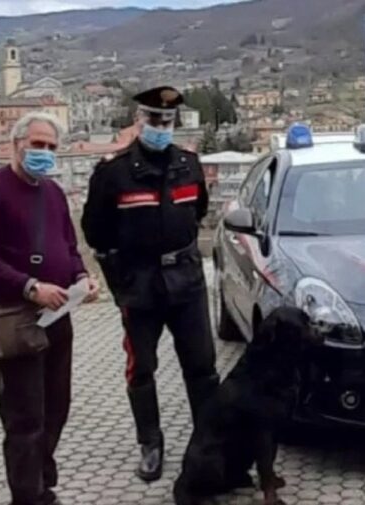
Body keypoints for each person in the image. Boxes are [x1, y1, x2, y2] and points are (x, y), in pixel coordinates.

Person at [81, 86, 219, 482]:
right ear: (139, 121)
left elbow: (198, 213)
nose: (161, 127)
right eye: (154, 120)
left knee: (203, 367)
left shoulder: (189, 165)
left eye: (167, 121)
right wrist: (120, 284)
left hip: (187, 282)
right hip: (140, 284)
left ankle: (207, 444)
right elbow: (96, 233)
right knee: (141, 368)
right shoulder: (114, 173)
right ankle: (151, 443)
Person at [0, 112, 100, 505]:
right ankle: (28, 495)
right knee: (25, 414)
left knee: (57, 405)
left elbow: (70, 249)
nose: (44, 153)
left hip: (59, 314)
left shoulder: (53, 193)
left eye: (51, 147)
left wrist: (81, 278)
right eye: (37, 144)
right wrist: (29, 287)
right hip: (15, 317)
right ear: (16, 144)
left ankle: (41, 479)